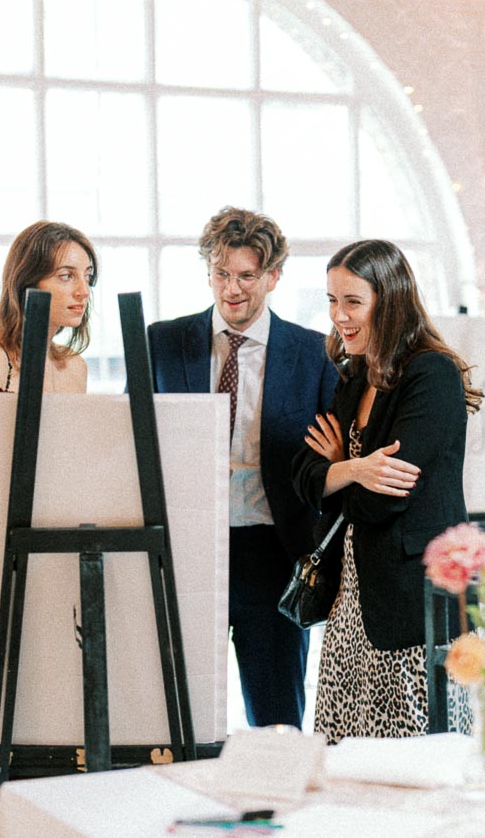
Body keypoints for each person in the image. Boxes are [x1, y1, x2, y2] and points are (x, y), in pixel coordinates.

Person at [148, 207, 337, 730]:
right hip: (187, 550)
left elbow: (330, 464)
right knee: (178, 717)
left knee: (276, 717)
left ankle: (273, 806)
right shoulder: (163, 343)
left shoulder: (313, 353)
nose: (232, 290)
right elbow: (136, 446)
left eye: (247, 276)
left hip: (272, 554)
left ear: (274, 276)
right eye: (221, 273)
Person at [292, 239, 482, 744]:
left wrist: (338, 471)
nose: (338, 316)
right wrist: (352, 469)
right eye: (332, 300)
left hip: (411, 602)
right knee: (345, 755)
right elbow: (304, 473)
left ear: (390, 298)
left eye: (352, 301)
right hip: (351, 601)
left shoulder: (431, 374)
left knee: (412, 760)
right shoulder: (355, 375)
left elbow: (383, 500)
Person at [0, 221, 96, 393]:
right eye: (66, 276)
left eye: (88, 277)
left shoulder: (76, 365)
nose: (84, 292)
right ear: (28, 282)